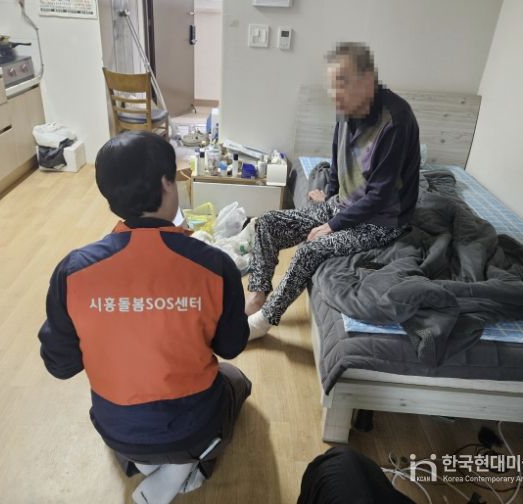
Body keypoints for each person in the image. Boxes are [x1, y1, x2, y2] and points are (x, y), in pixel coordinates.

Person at [38, 131, 251, 501]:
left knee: (138, 425)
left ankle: (150, 463)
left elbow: (61, 365)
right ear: (167, 184)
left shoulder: (73, 271)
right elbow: (231, 346)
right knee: (235, 379)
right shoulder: (214, 265)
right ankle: (184, 464)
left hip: (117, 429)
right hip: (191, 426)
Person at [245, 42, 421, 339]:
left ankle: (263, 321)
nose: (333, 93)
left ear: (367, 80)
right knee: (266, 224)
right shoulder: (347, 107)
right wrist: (330, 194)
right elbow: (338, 156)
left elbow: (379, 196)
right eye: (331, 84)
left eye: (341, 82)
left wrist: (332, 224)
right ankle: (258, 294)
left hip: (382, 221)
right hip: (345, 204)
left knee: (309, 250)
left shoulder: (395, 121)